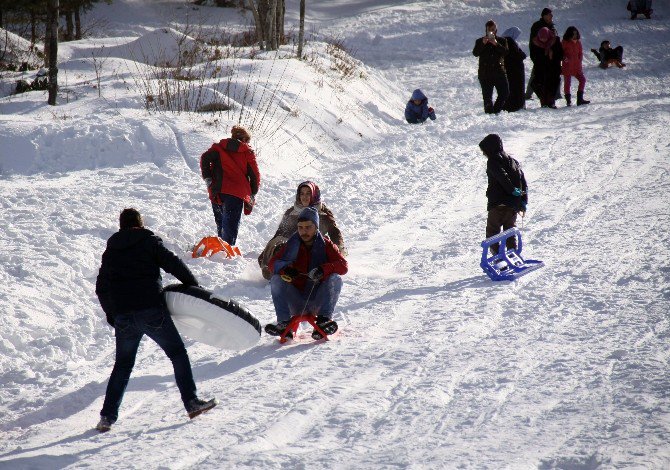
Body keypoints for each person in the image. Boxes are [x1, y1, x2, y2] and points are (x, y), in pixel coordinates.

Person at [95, 208, 217, 432]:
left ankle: (107, 418)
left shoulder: (111, 250)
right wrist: (195, 289)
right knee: (177, 354)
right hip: (151, 310)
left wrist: (112, 314)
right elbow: (174, 264)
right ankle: (191, 402)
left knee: (122, 366)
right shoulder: (148, 241)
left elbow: (101, 288)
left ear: (121, 226)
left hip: (124, 316)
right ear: (140, 224)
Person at [265, 206, 348, 340]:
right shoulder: (291, 245)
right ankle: (284, 323)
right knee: (276, 279)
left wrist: (323, 269)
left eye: (308, 227)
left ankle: (324, 321)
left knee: (335, 278)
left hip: (318, 299)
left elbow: (343, 266)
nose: (304, 231)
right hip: (296, 300)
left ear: (316, 227)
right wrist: (285, 269)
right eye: (301, 227)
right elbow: (272, 264)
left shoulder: (326, 245)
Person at [258, 181, 346, 280]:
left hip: (315, 245)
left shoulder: (322, 212)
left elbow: (334, 231)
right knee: (281, 246)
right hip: (292, 246)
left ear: (314, 195)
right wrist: (266, 253)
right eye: (302, 193)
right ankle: (281, 274)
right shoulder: (292, 212)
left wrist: (339, 247)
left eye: (308, 193)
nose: (305, 197)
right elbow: (280, 232)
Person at [200, 125, 261, 245]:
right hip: (236, 193)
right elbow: (255, 175)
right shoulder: (247, 152)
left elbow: (205, 158)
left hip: (217, 190)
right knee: (230, 226)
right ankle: (226, 253)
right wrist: (253, 192)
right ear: (244, 140)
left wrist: (208, 178)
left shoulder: (219, 148)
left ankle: (219, 250)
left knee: (221, 223)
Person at [479, 134, 528, 255]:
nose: (483, 153)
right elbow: (523, 181)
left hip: (498, 204)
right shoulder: (513, 161)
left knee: (492, 233)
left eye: (484, 150)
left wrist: (511, 190)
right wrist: (523, 200)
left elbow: (502, 177)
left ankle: (498, 260)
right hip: (513, 205)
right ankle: (514, 256)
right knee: (510, 232)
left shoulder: (493, 162)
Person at [472, 20, 509, 114]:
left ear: (496, 30)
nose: (491, 32)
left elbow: (506, 52)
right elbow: (475, 53)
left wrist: (496, 44)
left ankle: (496, 111)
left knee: (505, 93)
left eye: (493, 29)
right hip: (485, 74)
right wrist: (483, 44)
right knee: (487, 97)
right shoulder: (480, 41)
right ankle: (489, 115)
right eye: (489, 29)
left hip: (499, 72)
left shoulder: (502, 40)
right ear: (486, 30)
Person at [527, 8, 557, 100]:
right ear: (544, 15)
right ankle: (528, 94)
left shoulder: (552, 26)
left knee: (553, 74)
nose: (551, 16)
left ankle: (555, 94)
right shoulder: (537, 25)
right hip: (539, 54)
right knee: (536, 73)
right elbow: (534, 41)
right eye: (549, 14)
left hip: (549, 55)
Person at [531, 27, 563, 108]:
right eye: (541, 38)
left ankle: (551, 102)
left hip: (553, 67)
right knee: (540, 85)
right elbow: (534, 55)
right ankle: (543, 102)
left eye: (545, 38)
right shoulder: (535, 42)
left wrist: (553, 54)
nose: (543, 40)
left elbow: (561, 54)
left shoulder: (555, 41)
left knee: (552, 85)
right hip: (541, 67)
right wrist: (542, 56)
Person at [561, 26, 590, 106]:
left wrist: (579, 60)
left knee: (582, 80)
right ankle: (568, 101)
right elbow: (560, 52)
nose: (575, 35)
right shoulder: (565, 42)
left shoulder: (578, 42)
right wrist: (564, 58)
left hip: (577, 66)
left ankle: (580, 99)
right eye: (573, 34)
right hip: (567, 66)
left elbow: (580, 53)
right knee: (567, 83)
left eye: (576, 34)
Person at [501, 27, 527, 112]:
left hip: (511, 68)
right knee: (517, 87)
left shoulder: (505, 41)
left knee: (512, 87)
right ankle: (516, 104)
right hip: (515, 69)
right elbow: (518, 55)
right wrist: (522, 54)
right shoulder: (510, 41)